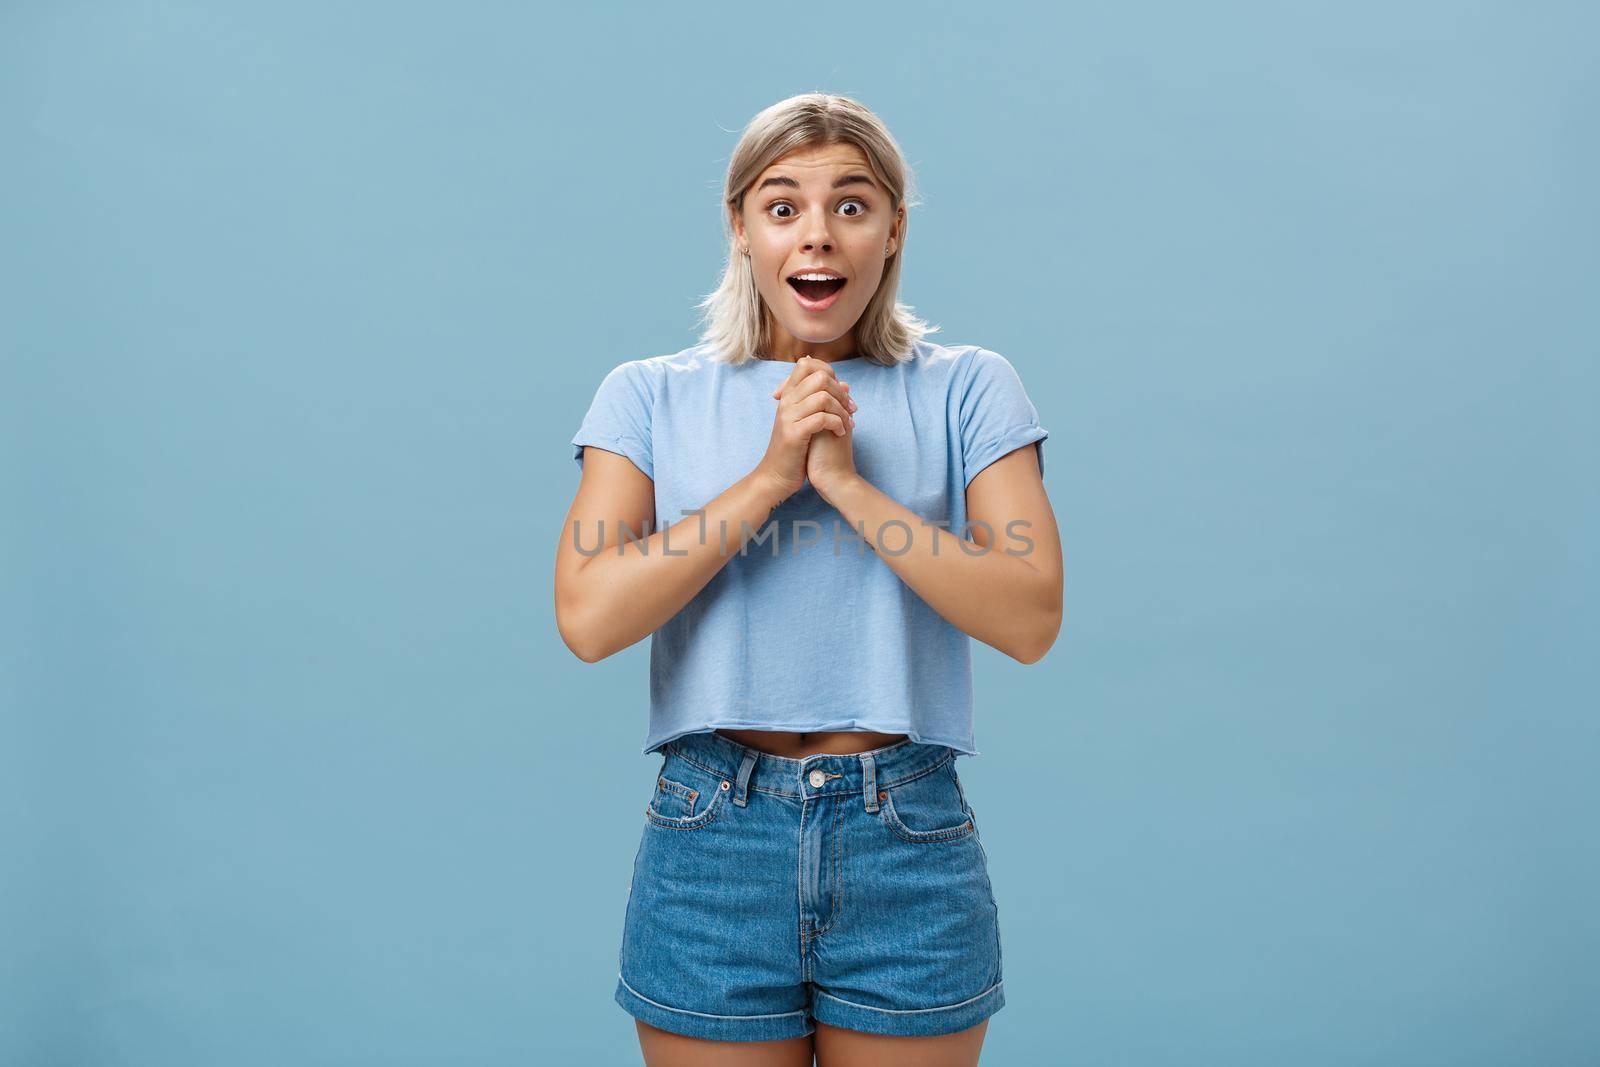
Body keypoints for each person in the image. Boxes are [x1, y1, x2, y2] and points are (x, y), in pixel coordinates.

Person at [555, 92, 1062, 1067]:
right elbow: (588, 614)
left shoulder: (968, 386)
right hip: (712, 834)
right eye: (782, 206)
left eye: (852, 204)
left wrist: (844, 484)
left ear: (892, 228)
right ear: (740, 228)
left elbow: (1029, 612)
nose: (816, 235)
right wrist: (770, 478)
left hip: (903, 832)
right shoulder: (649, 394)